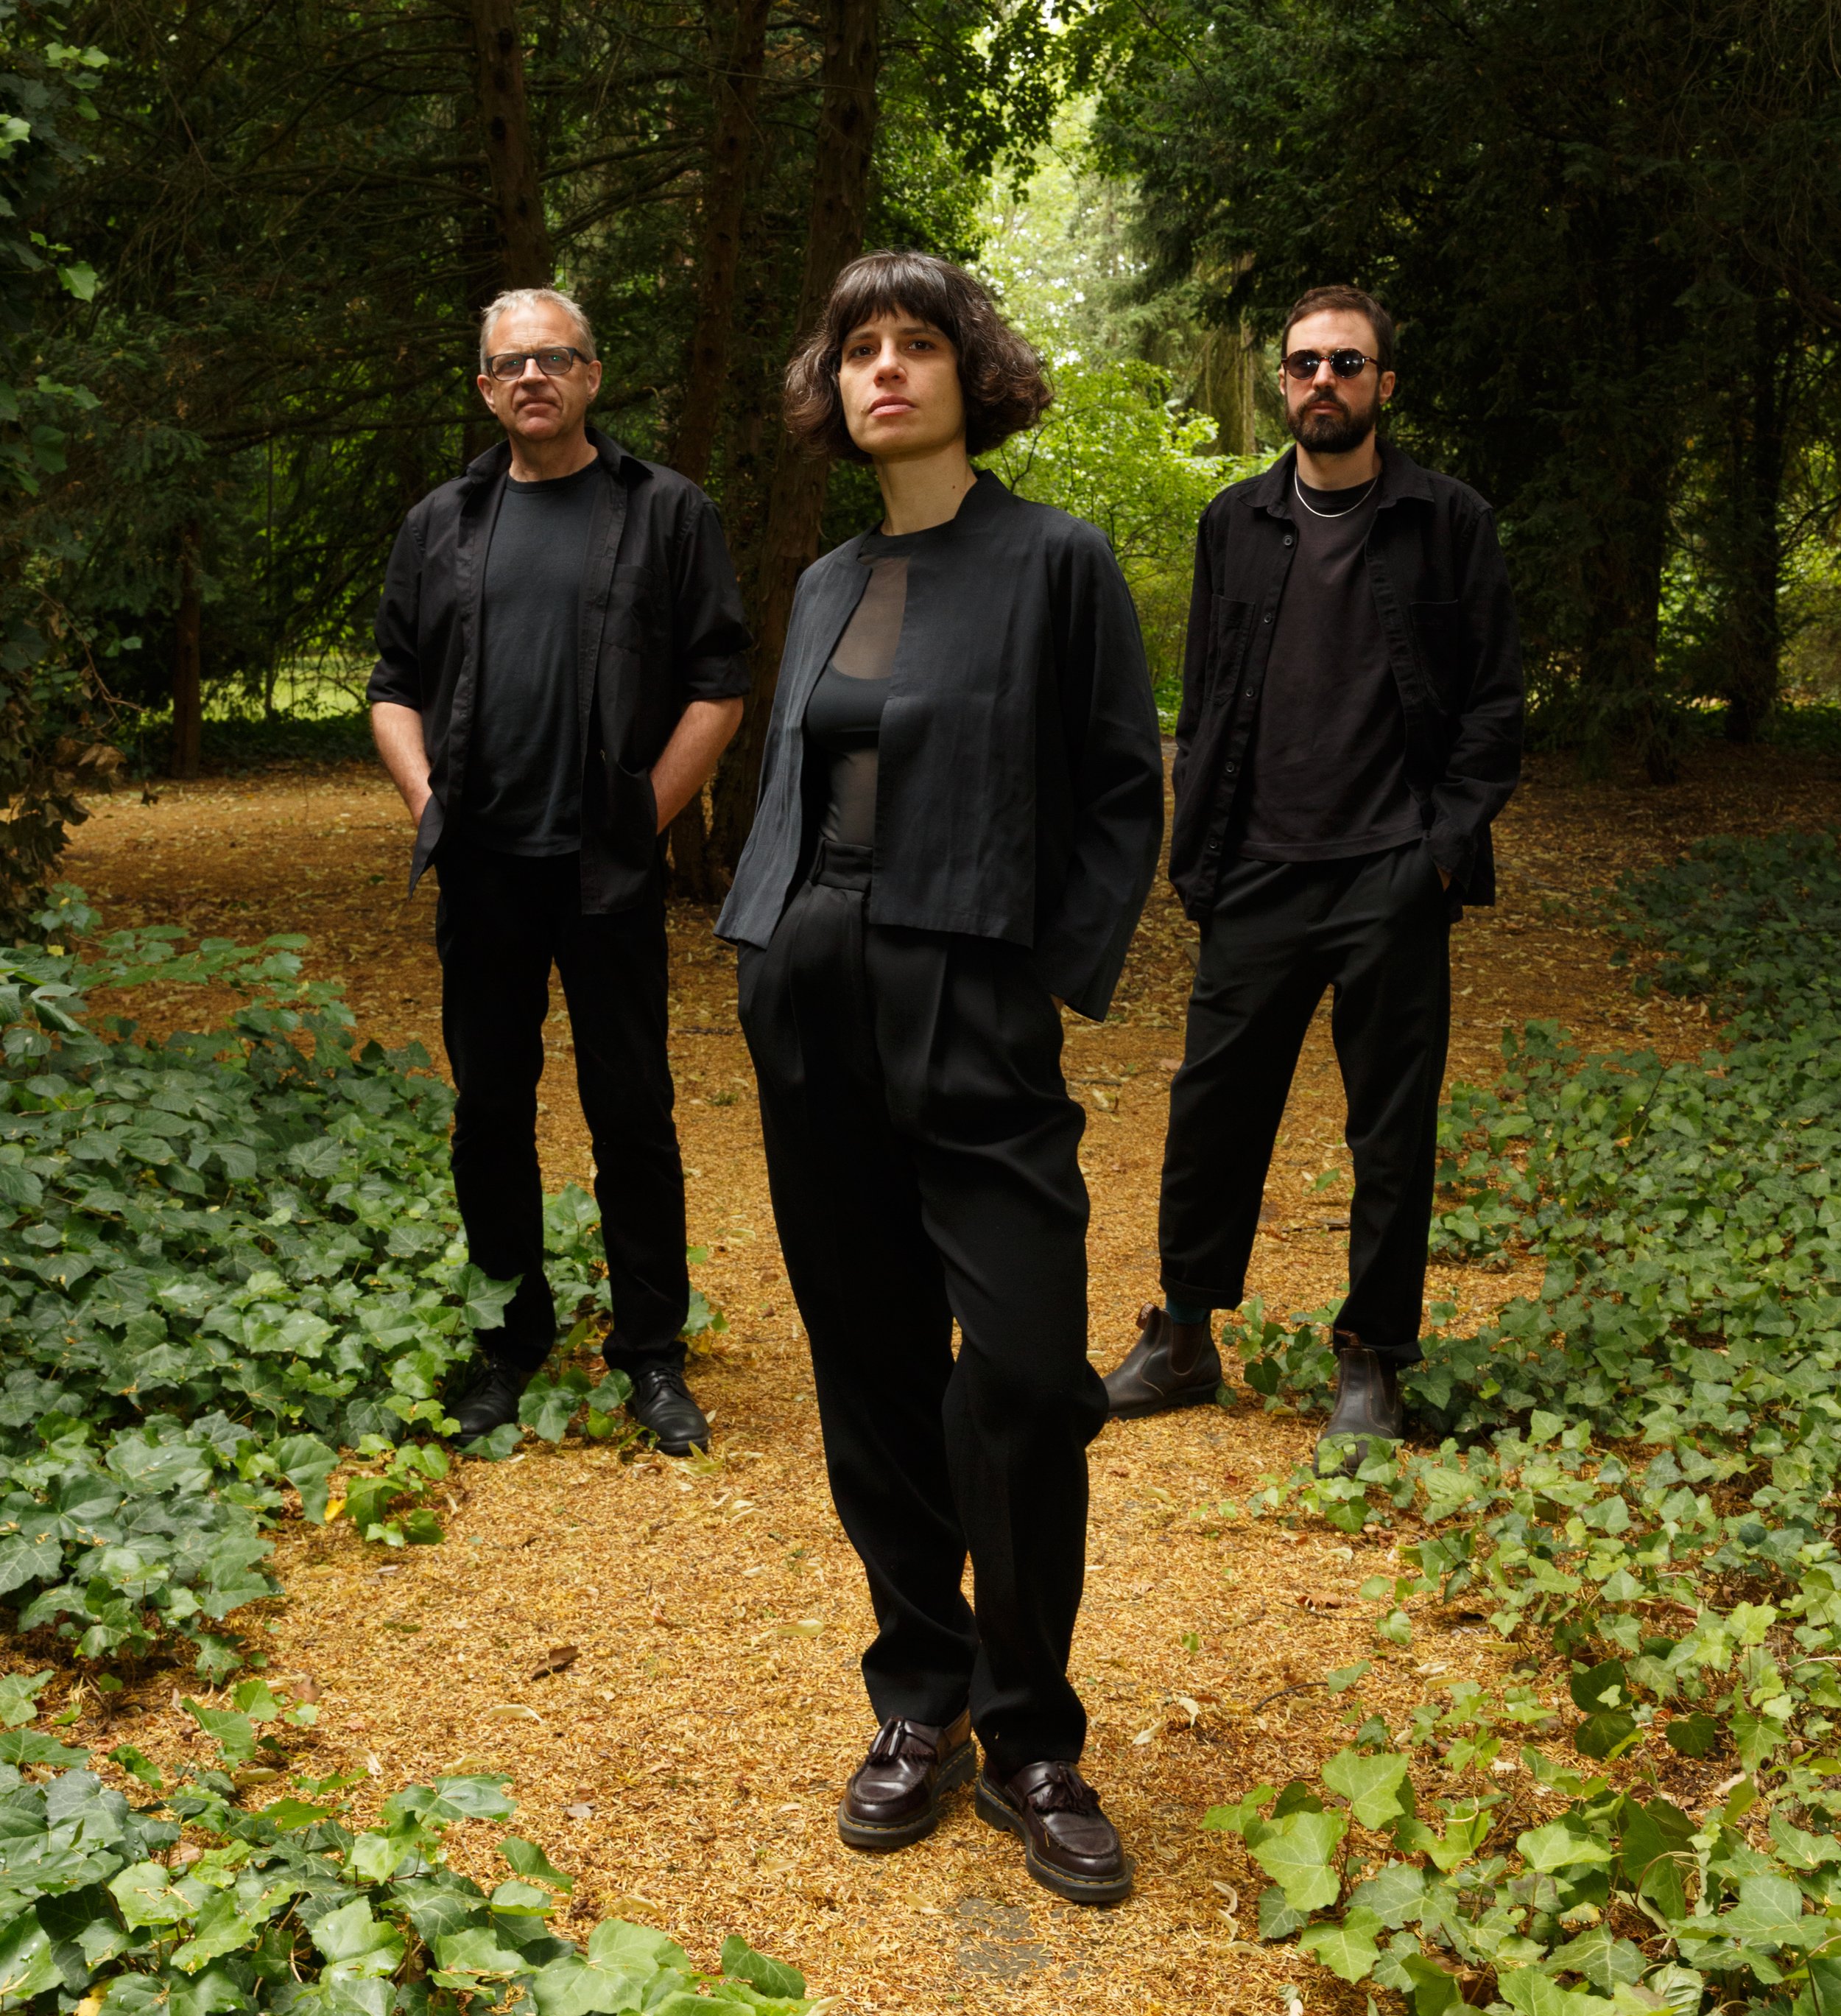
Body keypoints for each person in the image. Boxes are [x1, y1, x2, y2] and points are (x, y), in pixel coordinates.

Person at [719, 252, 1163, 1906]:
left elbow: (1119, 788)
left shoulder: (1056, 560)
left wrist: (1038, 972)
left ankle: (1035, 1731)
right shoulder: (829, 577)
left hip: (971, 993)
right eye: (859, 350)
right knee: (870, 1357)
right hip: (814, 984)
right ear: (831, 388)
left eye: (917, 344)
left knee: (1030, 1370)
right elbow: (794, 783)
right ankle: (922, 1697)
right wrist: (766, 946)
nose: (885, 370)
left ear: (974, 372)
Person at [1103, 284, 1523, 1473]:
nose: (1323, 380)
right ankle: (1186, 1337)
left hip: (1392, 875)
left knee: (1391, 1130)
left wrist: (1439, 850)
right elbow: (1206, 698)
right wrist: (1201, 857)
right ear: (1282, 381)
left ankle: (1373, 1354)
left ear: (1385, 381)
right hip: (1257, 872)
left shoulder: (1449, 521)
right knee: (1211, 1111)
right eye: (1303, 363)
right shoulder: (1233, 522)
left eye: (1347, 361)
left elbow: (1494, 706)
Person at [368, 287, 750, 1455]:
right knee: (489, 1111)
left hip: (607, 875)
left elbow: (719, 685)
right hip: (483, 872)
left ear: (591, 376)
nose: (532, 375)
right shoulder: (441, 522)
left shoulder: (666, 512)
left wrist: (642, 819)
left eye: (555, 356)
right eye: (511, 363)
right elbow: (392, 685)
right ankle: (508, 1342)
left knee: (631, 1109)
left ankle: (652, 1351)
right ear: (487, 389)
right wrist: (430, 803)